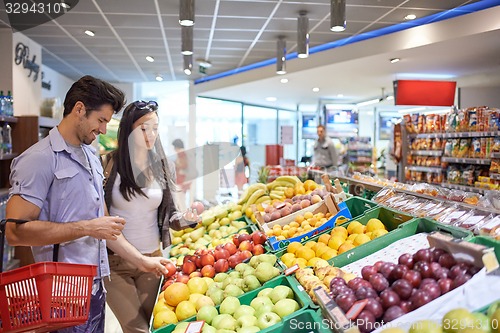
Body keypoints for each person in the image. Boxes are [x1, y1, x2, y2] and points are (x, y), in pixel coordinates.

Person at [5, 76, 169, 333]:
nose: (104, 130)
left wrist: (142, 261)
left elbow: (104, 228)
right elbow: (15, 232)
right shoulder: (38, 159)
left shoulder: (91, 156)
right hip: (60, 294)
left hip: (95, 287)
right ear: (79, 109)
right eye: (101, 120)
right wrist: (86, 228)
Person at [102, 100, 181, 333]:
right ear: (128, 129)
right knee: (135, 328)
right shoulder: (108, 164)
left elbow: (171, 214)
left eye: (155, 127)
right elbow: (101, 217)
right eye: (144, 128)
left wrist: (187, 217)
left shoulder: (163, 166)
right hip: (116, 263)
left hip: (153, 259)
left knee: (157, 323)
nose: (151, 134)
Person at [172, 138, 191, 211]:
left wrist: (174, 164)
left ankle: (183, 218)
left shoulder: (181, 153)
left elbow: (184, 165)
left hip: (181, 180)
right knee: (181, 200)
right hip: (184, 179)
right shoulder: (186, 153)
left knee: (180, 201)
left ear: (176, 146)